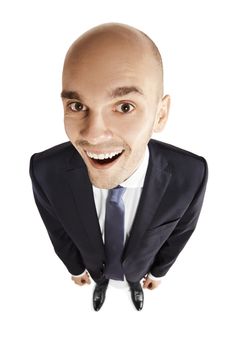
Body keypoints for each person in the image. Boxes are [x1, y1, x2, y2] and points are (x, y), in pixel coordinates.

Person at [29, 22, 208, 311]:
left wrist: (159, 271)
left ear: (160, 115)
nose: (93, 135)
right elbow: (57, 230)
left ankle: (134, 284)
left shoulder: (190, 174)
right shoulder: (44, 170)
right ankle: (101, 282)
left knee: (133, 275)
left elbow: (181, 231)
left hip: (141, 269)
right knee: (98, 273)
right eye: (77, 106)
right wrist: (75, 269)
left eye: (124, 107)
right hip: (92, 264)